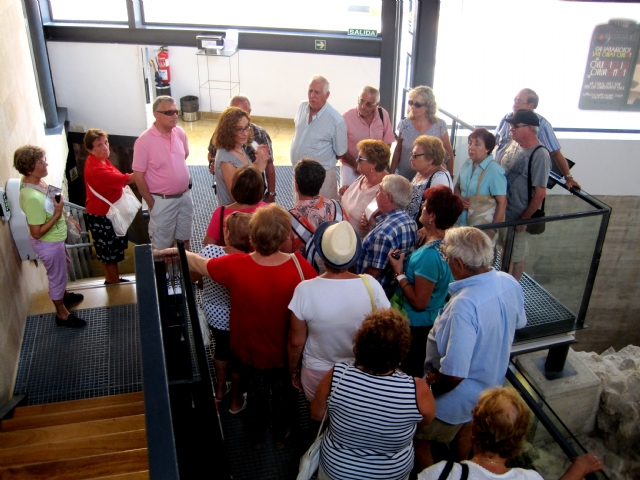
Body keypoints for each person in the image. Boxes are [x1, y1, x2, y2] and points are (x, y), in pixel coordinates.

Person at [166, 204, 317, 448]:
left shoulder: (236, 266)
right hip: (284, 352)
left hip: (249, 350)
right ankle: (280, 436)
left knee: (255, 395)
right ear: (283, 236)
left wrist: (177, 252)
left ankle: (256, 437)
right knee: (284, 396)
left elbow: (200, 264)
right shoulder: (300, 267)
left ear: (253, 235)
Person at [414, 227, 527, 471]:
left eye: (446, 258)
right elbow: (519, 323)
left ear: (459, 264)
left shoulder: (465, 305)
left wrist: (428, 388)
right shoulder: (508, 281)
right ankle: (464, 469)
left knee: (420, 441)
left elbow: (455, 373)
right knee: (467, 431)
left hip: (453, 399)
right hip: (489, 386)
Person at [310, 309, 436, 480]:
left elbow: (317, 415)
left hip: (336, 470)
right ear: (403, 348)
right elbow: (425, 422)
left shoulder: (338, 375)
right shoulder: (417, 390)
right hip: (391, 474)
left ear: (361, 342)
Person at [288, 221, 389, 402]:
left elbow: (296, 342)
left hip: (316, 372)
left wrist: (293, 369)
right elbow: (388, 331)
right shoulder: (371, 285)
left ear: (321, 256)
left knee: (317, 418)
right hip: (360, 372)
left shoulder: (305, 290)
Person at [418, 387, 604, 480]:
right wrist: (579, 468)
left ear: (473, 429)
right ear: (520, 439)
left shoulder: (443, 474)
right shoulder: (529, 478)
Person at [388, 186, 463, 379]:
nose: (421, 207)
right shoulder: (448, 244)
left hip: (416, 326)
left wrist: (399, 273)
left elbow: (420, 302)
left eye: (425, 205)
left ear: (433, 216)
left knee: (410, 373)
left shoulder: (428, 257)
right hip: (431, 319)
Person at [14, 145, 85, 327]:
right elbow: (36, 233)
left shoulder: (36, 180)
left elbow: (54, 195)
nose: (46, 164)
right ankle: (62, 314)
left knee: (65, 266)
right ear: (30, 169)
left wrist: (67, 216)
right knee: (57, 277)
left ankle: (65, 296)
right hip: (49, 244)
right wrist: (57, 214)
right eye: (40, 162)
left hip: (56, 240)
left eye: (44, 159)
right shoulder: (31, 198)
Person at [195, 212, 251, 406]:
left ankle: (219, 389)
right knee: (237, 356)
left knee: (220, 347)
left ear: (227, 234)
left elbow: (197, 277)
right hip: (238, 317)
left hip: (213, 314)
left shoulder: (209, 252)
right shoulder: (251, 260)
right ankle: (236, 400)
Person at [133, 95, 193, 250]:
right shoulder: (144, 142)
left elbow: (184, 155)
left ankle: (185, 272)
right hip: (162, 202)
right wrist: (152, 204)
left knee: (184, 241)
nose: (174, 116)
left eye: (176, 112)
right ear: (156, 115)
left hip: (185, 198)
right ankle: (165, 275)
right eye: (169, 112)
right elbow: (138, 176)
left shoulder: (179, 133)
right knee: (162, 248)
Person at [498, 110, 551, 281]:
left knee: (516, 255)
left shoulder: (540, 155)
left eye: (515, 126)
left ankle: (511, 288)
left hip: (518, 215)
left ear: (529, 128)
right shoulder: (514, 144)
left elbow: (540, 193)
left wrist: (524, 219)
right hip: (504, 210)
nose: (511, 129)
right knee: (505, 250)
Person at [494, 88, 581, 190]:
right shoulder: (506, 118)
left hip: (517, 184)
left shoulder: (542, 125)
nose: (514, 104)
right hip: (496, 176)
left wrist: (568, 177)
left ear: (531, 105)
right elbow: (494, 143)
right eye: (515, 100)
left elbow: (555, 153)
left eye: (519, 101)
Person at [83, 128, 136, 284]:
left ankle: (113, 280)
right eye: (99, 145)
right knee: (109, 255)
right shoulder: (96, 169)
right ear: (89, 150)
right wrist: (145, 170)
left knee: (110, 253)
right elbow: (127, 179)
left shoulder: (99, 161)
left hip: (106, 213)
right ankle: (114, 284)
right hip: (103, 216)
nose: (105, 147)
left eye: (105, 142)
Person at [208, 94, 277, 202]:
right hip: (237, 216)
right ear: (228, 128)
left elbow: (246, 174)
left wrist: (259, 162)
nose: (245, 133)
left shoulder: (239, 147)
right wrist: (258, 168)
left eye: (246, 128)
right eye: (239, 129)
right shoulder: (226, 159)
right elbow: (239, 199)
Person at [356, 175, 417, 293]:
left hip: (375, 293)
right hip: (394, 290)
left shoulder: (384, 232)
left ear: (388, 197)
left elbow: (373, 274)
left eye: (379, 190)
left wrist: (354, 289)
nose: (376, 193)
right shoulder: (409, 221)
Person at [290, 75, 348, 200]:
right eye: (310, 91)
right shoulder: (302, 107)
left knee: (322, 214)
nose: (312, 95)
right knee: (299, 210)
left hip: (321, 179)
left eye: (317, 92)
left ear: (327, 95)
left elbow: (340, 152)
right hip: (299, 174)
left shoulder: (336, 120)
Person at [289, 159, 347, 271]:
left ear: (296, 185)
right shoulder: (338, 208)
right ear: (321, 182)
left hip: (305, 276)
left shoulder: (288, 219)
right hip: (337, 272)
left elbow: (286, 255)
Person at [390, 86, 455, 181]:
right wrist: (391, 173)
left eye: (417, 104)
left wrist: (450, 177)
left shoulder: (440, 125)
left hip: (430, 180)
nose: (412, 107)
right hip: (405, 177)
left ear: (428, 106)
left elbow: (449, 153)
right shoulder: (405, 124)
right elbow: (398, 150)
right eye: (411, 102)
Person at [340, 86, 395, 187]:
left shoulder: (383, 114)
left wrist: (378, 164)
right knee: (347, 197)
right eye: (361, 101)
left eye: (369, 104)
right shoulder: (346, 118)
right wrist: (356, 164)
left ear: (376, 105)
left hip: (375, 168)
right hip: (352, 168)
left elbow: (387, 142)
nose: (363, 106)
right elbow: (340, 148)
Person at [455, 128, 507, 229]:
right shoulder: (467, 163)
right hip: (460, 222)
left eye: (477, 144)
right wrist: (458, 197)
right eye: (470, 143)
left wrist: (493, 229)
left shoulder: (494, 169)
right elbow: (457, 186)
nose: (471, 147)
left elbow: (502, 202)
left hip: (482, 227)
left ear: (487, 148)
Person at [203, 165, 267, 246]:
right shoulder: (266, 211)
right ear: (260, 188)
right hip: (258, 258)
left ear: (234, 187)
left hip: (228, 258)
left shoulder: (221, 213)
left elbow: (208, 244)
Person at [339, 139, 389, 238]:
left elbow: (381, 228)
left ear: (373, 164)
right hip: (342, 233)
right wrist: (348, 191)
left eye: (360, 158)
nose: (356, 160)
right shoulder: (364, 176)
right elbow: (359, 197)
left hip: (357, 244)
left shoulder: (385, 190)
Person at [404, 135, 453, 220]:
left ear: (431, 159)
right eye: (412, 154)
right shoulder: (421, 172)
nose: (411, 158)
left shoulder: (440, 178)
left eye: (415, 155)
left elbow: (439, 214)